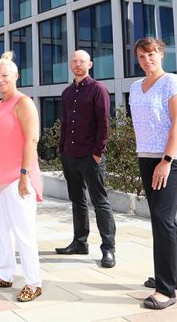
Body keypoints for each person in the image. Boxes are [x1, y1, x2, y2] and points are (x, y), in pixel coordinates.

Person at [128, 37, 177, 310]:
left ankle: (165, 289)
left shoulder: (172, 82)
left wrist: (166, 159)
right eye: (142, 56)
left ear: (161, 55)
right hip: (147, 157)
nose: (147, 60)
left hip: (173, 158)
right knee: (163, 218)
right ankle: (176, 277)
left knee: (162, 218)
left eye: (151, 54)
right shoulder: (135, 86)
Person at [0, 52, 44, 303]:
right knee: (3, 231)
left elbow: (32, 139)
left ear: (16, 76)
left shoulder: (23, 102)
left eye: (5, 75)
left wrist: (25, 175)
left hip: (18, 177)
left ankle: (33, 282)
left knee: (23, 232)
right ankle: (4, 274)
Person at [56, 50, 117, 268]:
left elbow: (104, 124)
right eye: (74, 61)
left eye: (82, 61)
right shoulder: (67, 92)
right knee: (77, 201)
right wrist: (62, 150)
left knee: (100, 202)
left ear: (90, 64)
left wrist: (98, 152)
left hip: (90, 157)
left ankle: (108, 248)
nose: (77, 64)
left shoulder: (97, 89)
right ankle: (80, 242)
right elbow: (65, 123)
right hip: (70, 155)